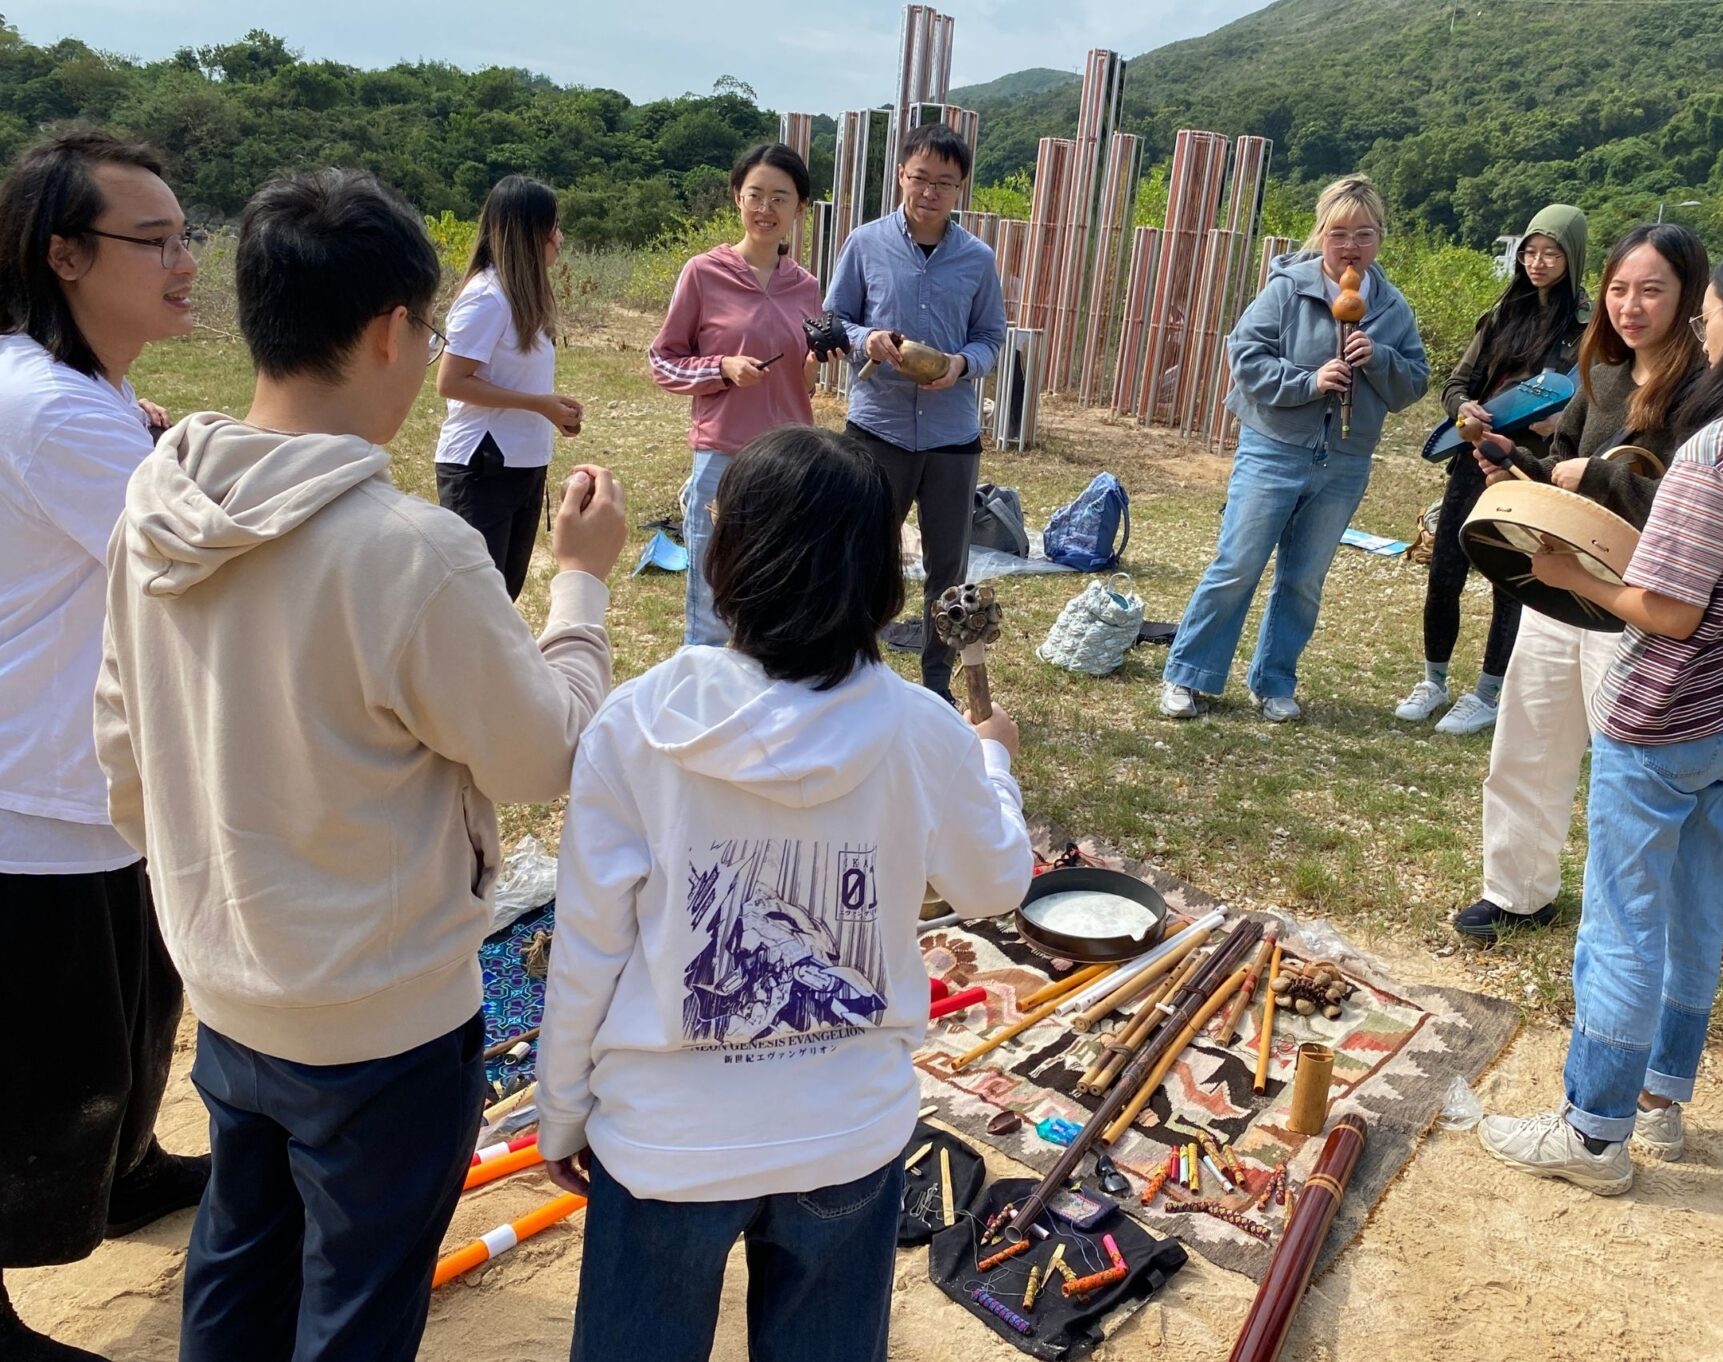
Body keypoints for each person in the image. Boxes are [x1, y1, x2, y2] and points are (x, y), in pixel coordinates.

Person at [93, 168, 628, 1361]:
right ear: (391, 331)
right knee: (358, 1301)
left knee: (240, 1252)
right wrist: (580, 581)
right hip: (382, 1023)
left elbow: (120, 756)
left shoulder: (152, 505)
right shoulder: (410, 554)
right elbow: (544, 752)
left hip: (227, 983)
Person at [537, 426, 1032, 1362]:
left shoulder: (637, 726)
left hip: (665, 1143)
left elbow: (589, 946)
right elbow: (995, 882)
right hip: (846, 1136)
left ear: (725, 559)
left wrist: (561, 1109)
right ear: (881, 579)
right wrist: (993, 759)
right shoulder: (926, 731)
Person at [1477, 237, 1723, 1192]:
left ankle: (1593, 1130)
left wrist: (1564, 571)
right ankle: (1660, 1103)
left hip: (1665, 710)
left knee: (1623, 922)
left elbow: (1671, 609)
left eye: (1710, 306)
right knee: (1694, 912)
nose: (1701, 321)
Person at [0, 129, 207, 1362]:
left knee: (136, 1012)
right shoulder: (53, 414)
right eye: (155, 241)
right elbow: (202, 567)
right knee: (39, 1061)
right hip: (35, 798)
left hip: (93, 785)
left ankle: (123, 1168)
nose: (185, 261)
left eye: (187, 235)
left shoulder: (87, 394)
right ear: (64, 254)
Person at [1454, 223, 1711, 943]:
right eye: (1619, 290)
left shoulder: (1706, 396)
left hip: (1637, 600)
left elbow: (1692, 509)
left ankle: (1625, 913)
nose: (1631, 307)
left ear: (1690, 297)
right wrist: (1516, 470)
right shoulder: (1600, 375)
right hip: (1559, 577)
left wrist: (1597, 477)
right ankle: (1517, 890)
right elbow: (1560, 462)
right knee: (1528, 738)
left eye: (1652, 290)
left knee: (1626, 766)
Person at [1159, 175, 1429, 722]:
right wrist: (1307, 381)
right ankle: (1188, 675)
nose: (1351, 246)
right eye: (1339, 233)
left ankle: (1274, 681)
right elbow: (1246, 355)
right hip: (1274, 447)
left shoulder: (1392, 308)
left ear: (1380, 237)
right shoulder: (1288, 288)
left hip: (1346, 459)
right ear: (1320, 234)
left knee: (1303, 579)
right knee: (1238, 565)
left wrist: (1378, 357)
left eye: (1365, 234)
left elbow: (1415, 382)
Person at [823, 123, 1006, 701]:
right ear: (901, 175)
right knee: (864, 553)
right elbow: (832, 321)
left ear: (960, 190)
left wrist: (958, 364)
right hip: (878, 426)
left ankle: (935, 681)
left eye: (944, 183)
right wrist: (865, 338)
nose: (929, 192)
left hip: (952, 434)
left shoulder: (977, 259)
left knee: (947, 567)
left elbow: (991, 338)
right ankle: (854, 672)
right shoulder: (865, 243)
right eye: (920, 178)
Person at [1395, 204, 1591, 736]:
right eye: (1530, 251)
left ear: (1573, 256)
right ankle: (1433, 681)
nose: (1538, 262)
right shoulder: (1503, 314)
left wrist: (1563, 421)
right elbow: (1457, 383)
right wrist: (1464, 408)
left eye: (1551, 253)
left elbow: (1598, 397)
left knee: (1512, 578)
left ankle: (1487, 693)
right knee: (1445, 569)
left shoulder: (1590, 328)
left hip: (1529, 465)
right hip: (1475, 454)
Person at [649, 143, 828, 646]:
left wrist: (812, 368)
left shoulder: (806, 287)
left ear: (800, 209)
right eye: (755, 195)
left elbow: (803, 379)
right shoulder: (704, 273)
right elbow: (662, 361)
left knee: (779, 584)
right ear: (737, 198)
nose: (765, 210)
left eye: (780, 198)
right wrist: (720, 368)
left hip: (790, 458)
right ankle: (703, 696)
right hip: (723, 455)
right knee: (712, 587)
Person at [434, 174, 582, 598]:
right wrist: (538, 405)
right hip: (482, 467)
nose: (560, 237)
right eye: (553, 227)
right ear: (528, 233)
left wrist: (551, 410)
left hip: (521, 463)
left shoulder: (521, 295)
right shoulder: (487, 297)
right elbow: (451, 381)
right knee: (477, 599)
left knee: (504, 594)